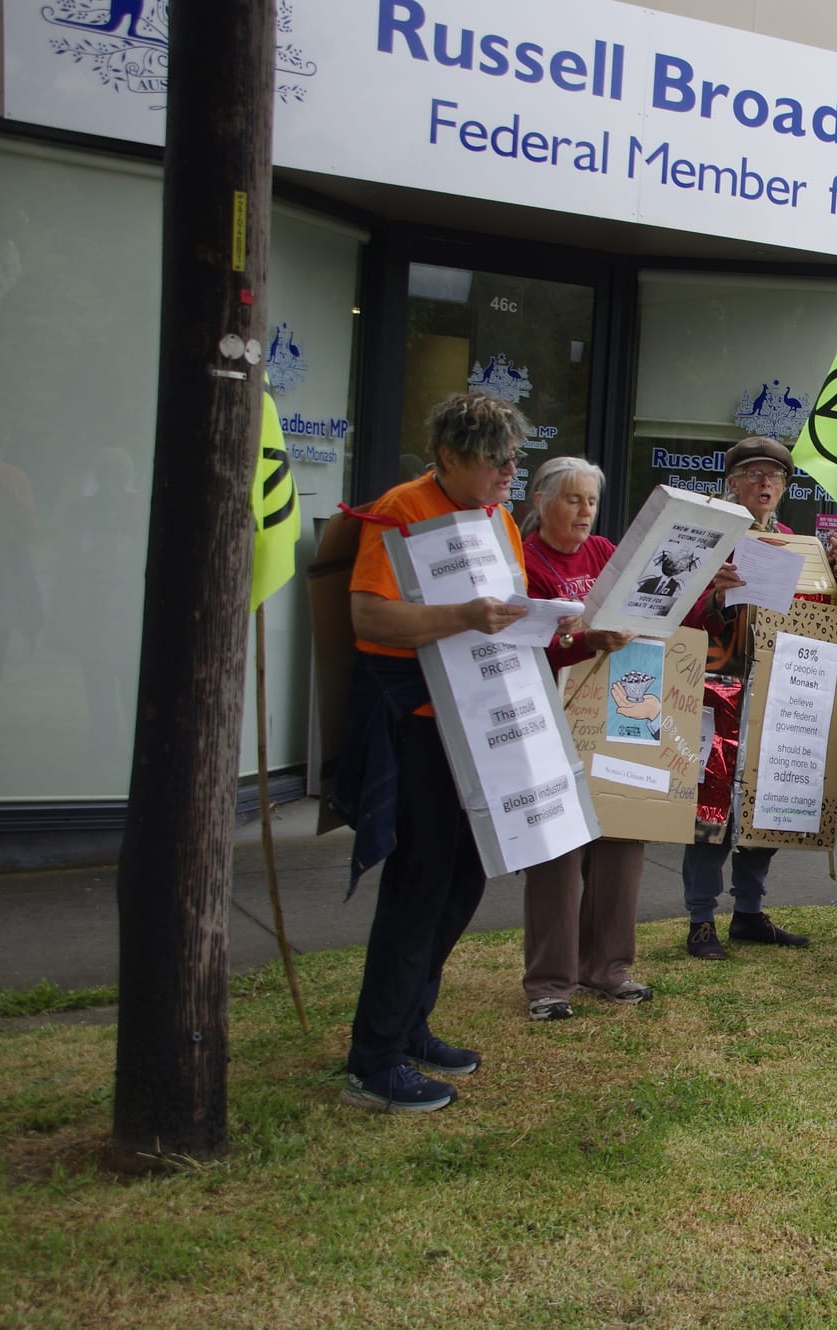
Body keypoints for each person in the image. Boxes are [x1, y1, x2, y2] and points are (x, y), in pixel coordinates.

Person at [334, 391, 533, 1113]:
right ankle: (373, 1058)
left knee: (465, 877)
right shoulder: (401, 508)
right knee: (418, 885)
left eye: (514, 454)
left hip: (478, 719)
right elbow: (368, 614)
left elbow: (507, 612)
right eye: (494, 457)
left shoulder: (496, 514)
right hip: (416, 720)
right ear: (448, 457)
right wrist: (462, 616)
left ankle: (410, 1022)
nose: (510, 469)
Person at [680, 436, 837, 960]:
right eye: (753, 475)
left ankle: (748, 912)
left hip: (778, 693)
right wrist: (718, 598)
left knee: (767, 801)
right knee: (711, 811)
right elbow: (678, 616)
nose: (765, 484)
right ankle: (701, 919)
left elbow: (815, 621)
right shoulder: (707, 538)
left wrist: (836, 578)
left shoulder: (798, 545)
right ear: (732, 482)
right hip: (719, 690)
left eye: (773, 477)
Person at [518, 456, 650, 1022]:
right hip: (551, 717)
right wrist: (587, 640)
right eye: (572, 499)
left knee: (621, 837)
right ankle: (550, 982)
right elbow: (528, 641)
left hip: (613, 718)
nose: (584, 511)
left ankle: (609, 967)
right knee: (558, 850)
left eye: (591, 501)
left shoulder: (603, 554)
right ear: (542, 502)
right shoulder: (523, 561)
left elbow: (649, 608)